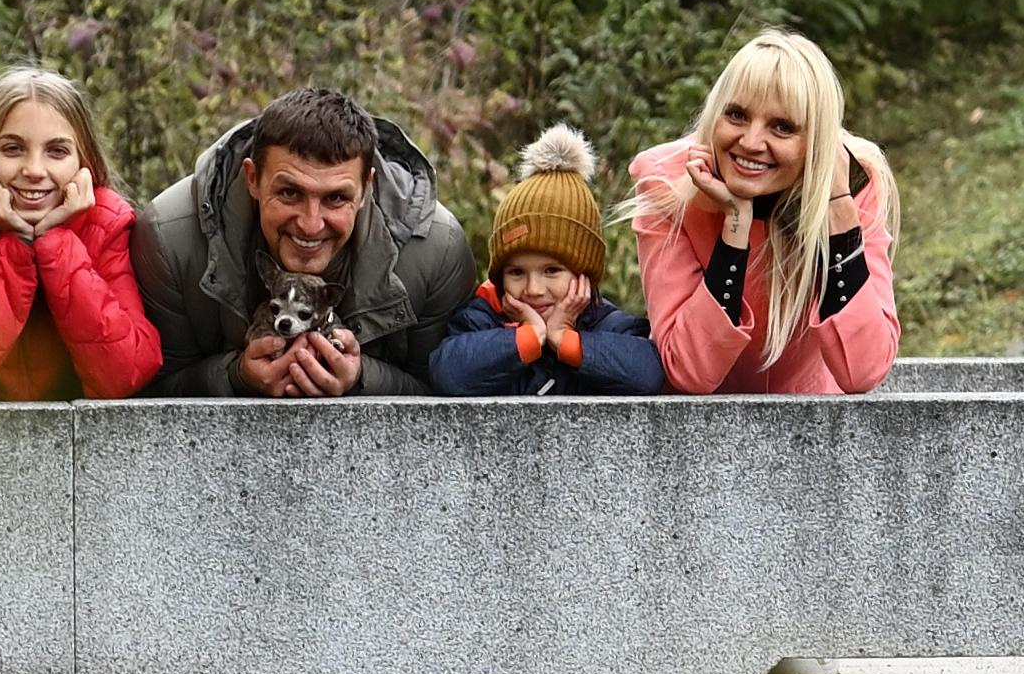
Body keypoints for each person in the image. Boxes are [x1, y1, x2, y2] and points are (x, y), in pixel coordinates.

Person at [133, 84, 475, 397]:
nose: (311, 225)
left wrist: (361, 378)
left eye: (336, 199)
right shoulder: (171, 239)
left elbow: (452, 399)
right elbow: (144, 394)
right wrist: (236, 377)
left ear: (366, 188)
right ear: (252, 178)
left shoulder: (435, 250)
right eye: (289, 192)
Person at [632, 30, 899, 397]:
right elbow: (689, 371)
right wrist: (736, 223)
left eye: (782, 127)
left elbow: (863, 370)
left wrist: (837, 207)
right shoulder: (666, 181)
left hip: (811, 427)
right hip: (692, 432)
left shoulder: (855, 183)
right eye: (737, 115)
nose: (751, 143)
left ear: (817, 143)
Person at [0, 66, 159, 403]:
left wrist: (55, 242)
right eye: (12, 149)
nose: (34, 171)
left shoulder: (105, 222)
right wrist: (18, 244)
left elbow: (125, 374)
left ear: (84, 163)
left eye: (57, 151)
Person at [430, 127, 662, 398]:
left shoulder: (604, 322)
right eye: (516, 272)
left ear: (583, 274)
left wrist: (566, 339)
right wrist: (527, 337)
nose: (533, 289)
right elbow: (447, 374)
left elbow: (649, 373)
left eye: (551, 271)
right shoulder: (484, 318)